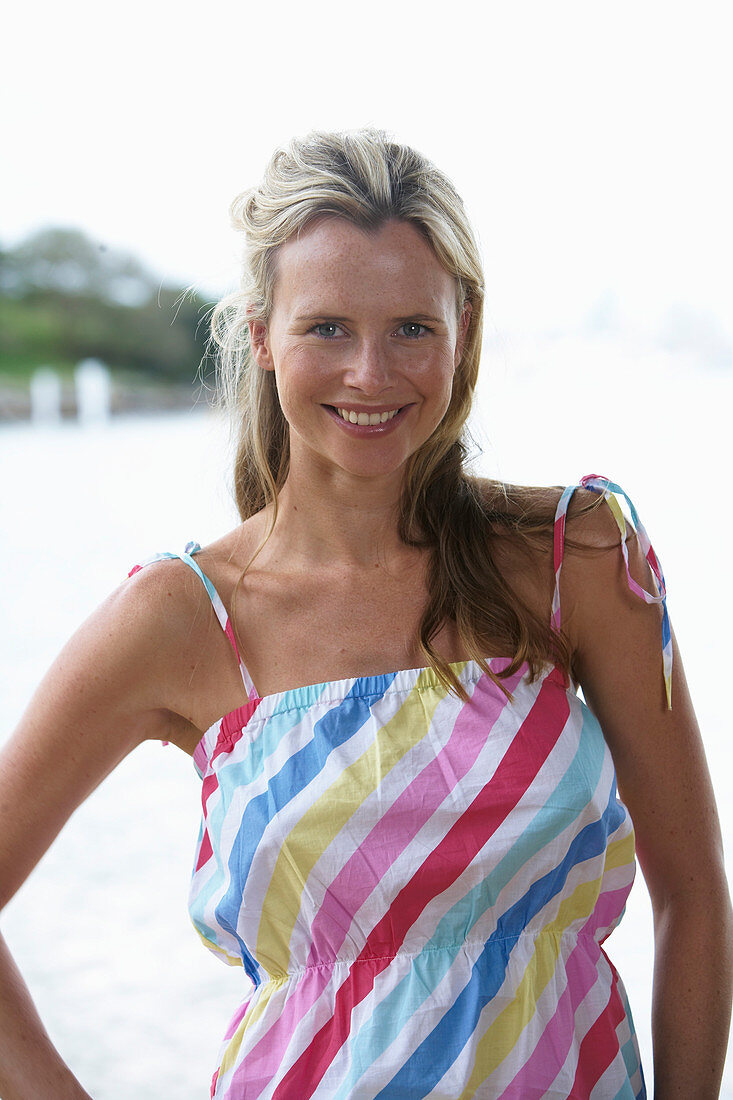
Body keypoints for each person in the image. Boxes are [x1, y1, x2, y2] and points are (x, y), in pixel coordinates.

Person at [0, 129, 730, 1100]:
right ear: (262, 331)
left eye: (410, 328)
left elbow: (693, 892)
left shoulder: (576, 556)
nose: (371, 373)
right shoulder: (183, 615)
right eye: (328, 328)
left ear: (463, 323)